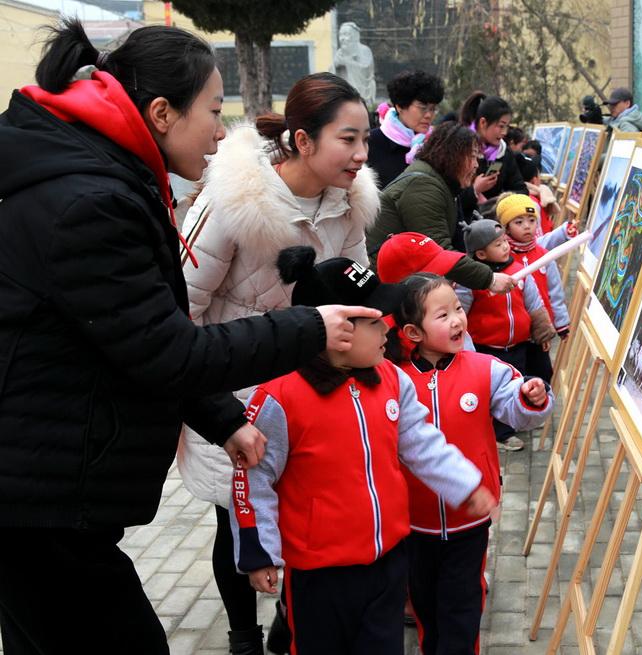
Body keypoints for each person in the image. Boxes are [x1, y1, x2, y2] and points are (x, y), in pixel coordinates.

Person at [0, 20, 378, 655]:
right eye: (210, 109)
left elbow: (133, 336)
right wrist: (307, 328)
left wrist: (221, 419)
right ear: (161, 112)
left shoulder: (103, 176)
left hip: (52, 489)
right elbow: (173, 344)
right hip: (40, 497)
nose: (222, 130)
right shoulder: (92, 200)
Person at [178, 71, 378, 654]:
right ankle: (243, 636)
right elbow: (177, 311)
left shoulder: (351, 204)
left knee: (304, 517)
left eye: (366, 139)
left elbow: (360, 292)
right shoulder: (231, 203)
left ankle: (289, 626)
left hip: (312, 395)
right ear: (303, 140)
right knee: (237, 524)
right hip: (234, 396)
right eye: (348, 139)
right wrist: (212, 409)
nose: (362, 155)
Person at [233, 249, 497, 655]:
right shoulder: (280, 398)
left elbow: (421, 441)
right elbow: (254, 477)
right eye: (374, 321)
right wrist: (260, 552)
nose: (388, 329)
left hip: (389, 562)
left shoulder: (391, 378)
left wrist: (465, 485)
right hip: (318, 574)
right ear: (334, 331)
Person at [392, 273, 553, 653]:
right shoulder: (393, 379)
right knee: (425, 606)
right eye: (442, 314)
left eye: (459, 308)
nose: (457, 320)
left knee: (462, 607)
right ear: (413, 332)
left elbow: (517, 409)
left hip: (471, 518)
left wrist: (531, 397)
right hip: (413, 520)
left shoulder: (485, 369)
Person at [367, 122, 516, 295]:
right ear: (453, 155)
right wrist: (489, 279)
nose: (476, 165)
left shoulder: (439, 183)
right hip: (382, 282)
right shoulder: (424, 186)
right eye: (472, 157)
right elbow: (439, 250)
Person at [457, 220, 556, 451]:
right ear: (481, 254)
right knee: (493, 391)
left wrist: (542, 333)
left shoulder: (519, 272)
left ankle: (520, 416)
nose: (505, 247)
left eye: (504, 242)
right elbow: (459, 309)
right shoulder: (472, 281)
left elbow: (534, 303)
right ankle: (502, 433)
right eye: (498, 244)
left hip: (518, 344)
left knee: (518, 382)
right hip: (486, 348)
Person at [495, 193, 571, 384]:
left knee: (542, 374)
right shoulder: (502, 257)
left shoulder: (543, 255)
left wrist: (561, 324)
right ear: (506, 227)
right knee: (517, 377)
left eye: (531, 220)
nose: (527, 226)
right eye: (518, 222)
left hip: (540, 330)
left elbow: (555, 292)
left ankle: (537, 408)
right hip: (513, 334)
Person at [368, 69, 444, 189]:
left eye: (433, 109)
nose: (429, 115)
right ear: (400, 106)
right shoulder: (371, 142)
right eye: (422, 108)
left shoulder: (435, 145)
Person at [458, 91, 527, 212]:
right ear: (483, 123)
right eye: (501, 126)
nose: (505, 132)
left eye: (507, 126)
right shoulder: (460, 148)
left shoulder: (504, 153)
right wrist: (475, 190)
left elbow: (521, 190)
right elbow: (451, 197)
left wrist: (500, 201)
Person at [332, 22, 375, 106]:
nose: (342, 38)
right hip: (346, 92)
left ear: (356, 36)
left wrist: (347, 62)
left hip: (362, 88)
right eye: (341, 35)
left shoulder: (364, 50)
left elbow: (366, 69)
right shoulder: (339, 53)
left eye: (346, 34)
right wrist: (336, 66)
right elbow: (334, 73)